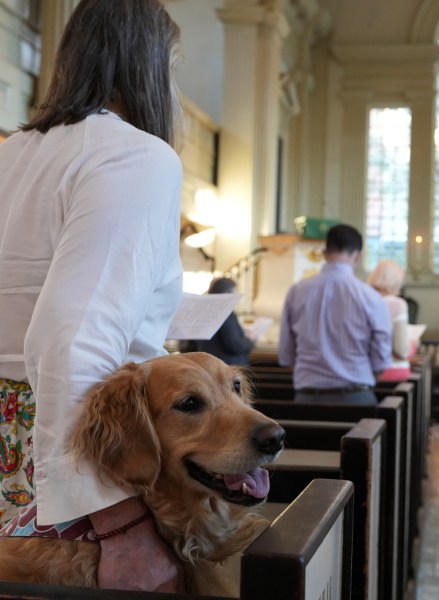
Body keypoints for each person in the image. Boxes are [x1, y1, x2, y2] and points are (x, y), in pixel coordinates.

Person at [0, 0, 186, 592]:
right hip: (63, 444)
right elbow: (72, 336)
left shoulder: (10, 154)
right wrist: (120, 524)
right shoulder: (136, 155)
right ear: (150, 64)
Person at [278, 224, 392, 405]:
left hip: (306, 399)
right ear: (358, 256)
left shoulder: (296, 291)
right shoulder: (371, 297)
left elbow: (286, 354)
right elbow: (381, 358)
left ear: (325, 253)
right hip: (356, 397)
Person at [192, 278, 255, 365]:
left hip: (208, 363)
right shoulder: (225, 311)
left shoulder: (204, 310)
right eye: (234, 292)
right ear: (227, 293)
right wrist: (250, 340)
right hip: (227, 367)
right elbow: (234, 345)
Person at [367, 259, 411, 359]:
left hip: (366, 365)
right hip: (389, 366)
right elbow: (401, 351)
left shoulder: (365, 300)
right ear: (396, 281)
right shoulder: (397, 304)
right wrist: (412, 345)